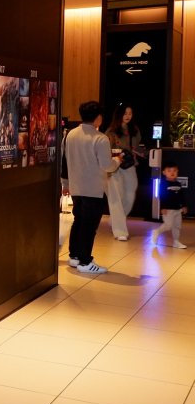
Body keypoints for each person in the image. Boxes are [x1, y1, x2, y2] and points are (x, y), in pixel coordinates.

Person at [61, 101, 122, 274]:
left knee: (79, 221)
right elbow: (107, 165)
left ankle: (74, 257)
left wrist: (65, 183)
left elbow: (65, 162)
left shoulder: (70, 135)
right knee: (89, 226)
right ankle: (85, 261)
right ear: (98, 118)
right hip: (93, 188)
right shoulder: (100, 138)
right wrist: (117, 160)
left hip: (76, 187)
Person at [105, 103, 142, 240]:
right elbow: (105, 151)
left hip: (129, 165)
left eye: (130, 114)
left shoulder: (135, 130)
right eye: (125, 113)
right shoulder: (111, 131)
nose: (127, 116)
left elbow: (137, 147)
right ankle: (120, 231)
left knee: (130, 195)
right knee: (116, 197)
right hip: (114, 167)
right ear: (119, 114)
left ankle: (116, 219)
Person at [152, 160, 188, 249]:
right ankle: (157, 231)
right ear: (164, 172)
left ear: (177, 172)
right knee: (168, 225)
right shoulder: (164, 184)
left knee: (177, 226)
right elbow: (162, 196)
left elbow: (181, 196)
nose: (172, 173)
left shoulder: (178, 184)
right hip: (168, 209)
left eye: (174, 171)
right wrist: (163, 207)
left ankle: (176, 242)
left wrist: (183, 205)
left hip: (177, 209)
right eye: (169, 171)